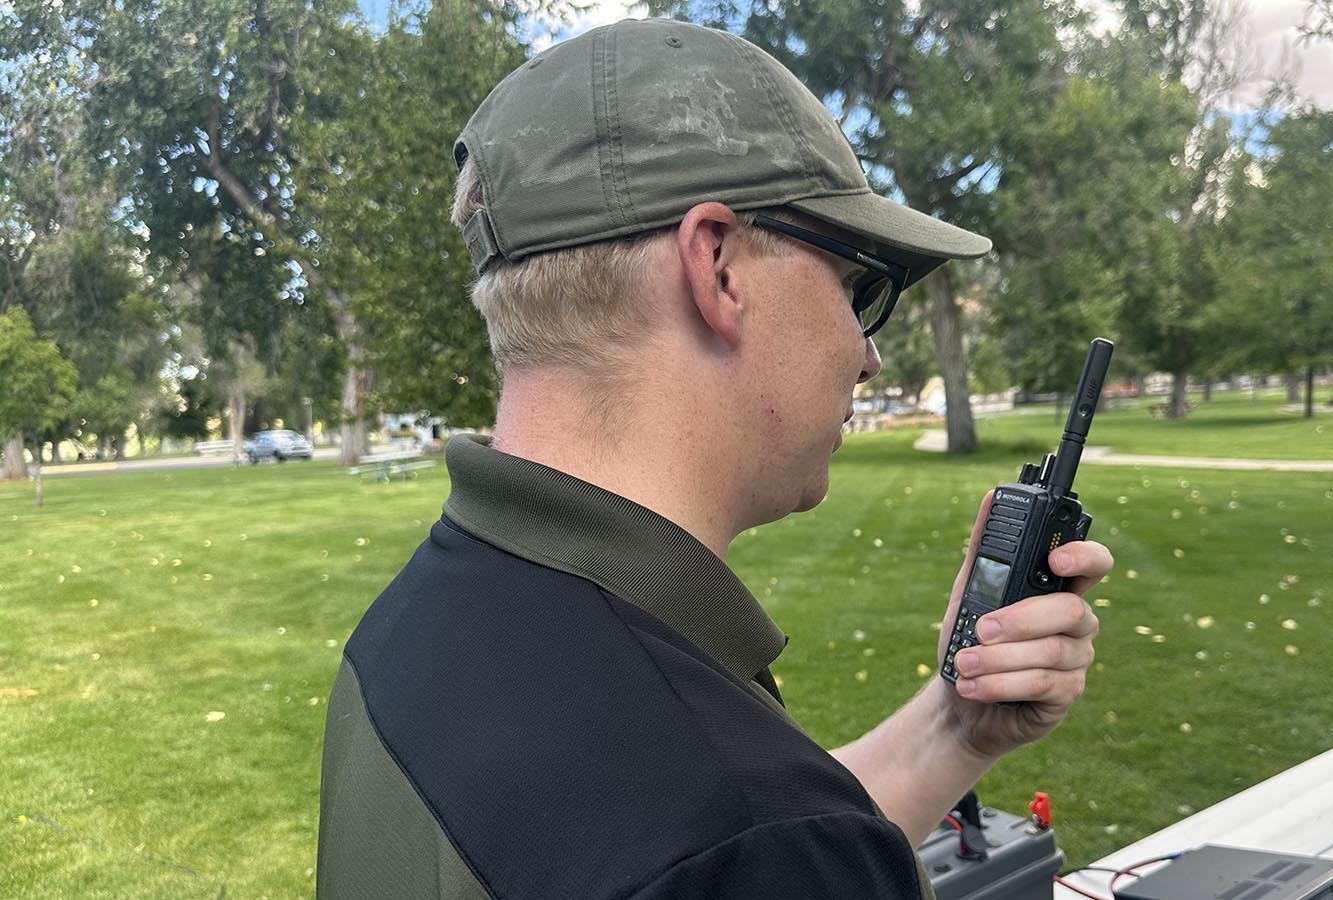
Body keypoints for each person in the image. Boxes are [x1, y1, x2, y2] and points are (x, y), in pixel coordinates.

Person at [316, 18, 1110, 900]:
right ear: (720, 266)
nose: (868, 352)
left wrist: (958, 728)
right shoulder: (740, 827)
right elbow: (750, 843)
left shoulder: (411, 631)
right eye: (858, 287)